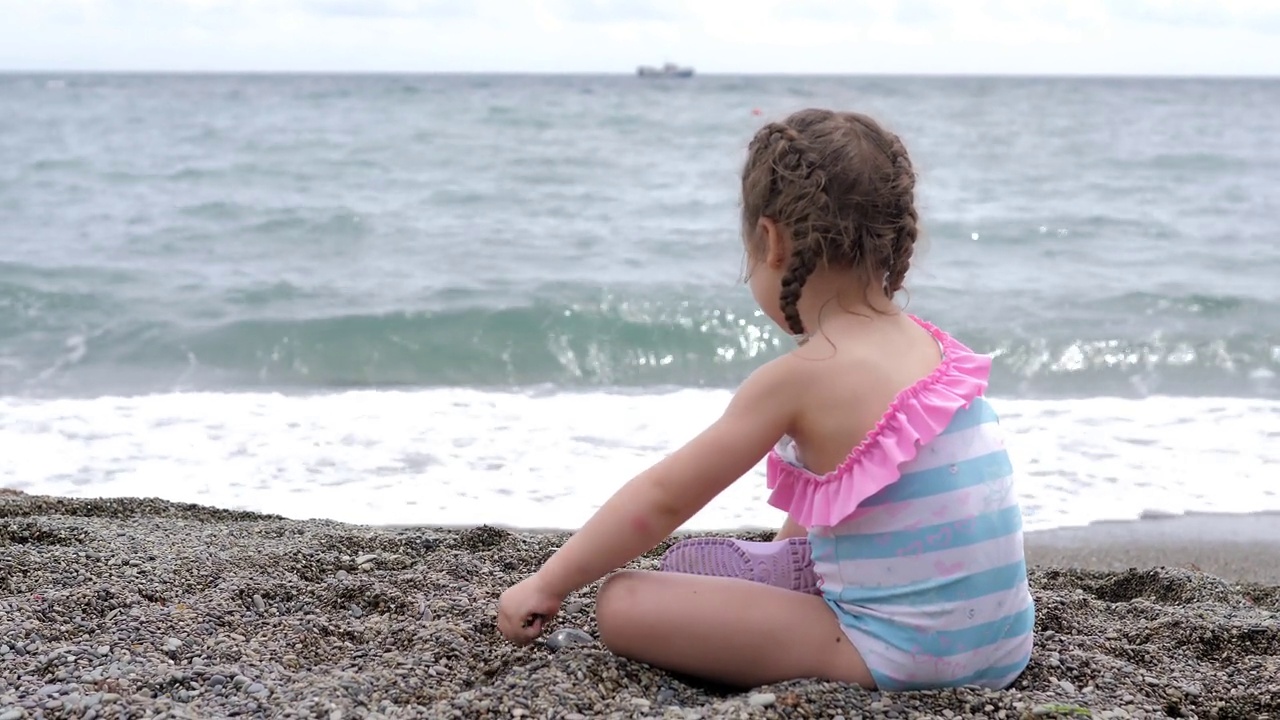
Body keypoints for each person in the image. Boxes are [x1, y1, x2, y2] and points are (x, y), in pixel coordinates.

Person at [496, 108, 1035, 692]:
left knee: (621, 601)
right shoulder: (935, 349)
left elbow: (662, 500)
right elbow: (863, 477)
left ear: (772, 241)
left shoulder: (800, 377)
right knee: (859, 472)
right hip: (1005, 645)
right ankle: (788, 569)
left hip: (896, 658)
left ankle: (794, 587)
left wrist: (546, 585)